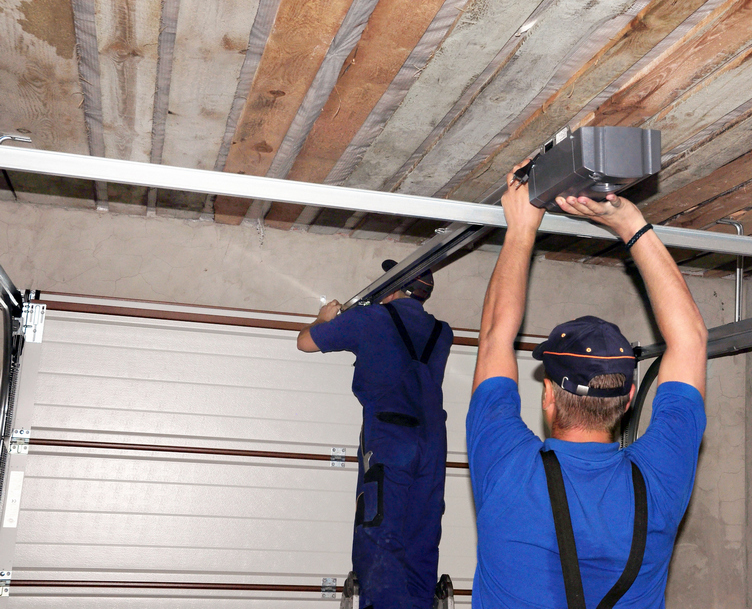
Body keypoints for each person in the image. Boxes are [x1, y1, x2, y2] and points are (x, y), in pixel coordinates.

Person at [466, 167, 709, 607]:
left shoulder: (507, 468)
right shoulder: (658, 479)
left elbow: (494, 338)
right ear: (630, 398)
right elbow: (690, 339)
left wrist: (521, 228)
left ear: (547, 397)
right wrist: (632, 225)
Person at [298, 262, 454, 609]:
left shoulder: (371, 319)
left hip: (390, 437)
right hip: (432, 442)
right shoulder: (443, 333)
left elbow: (305, 342)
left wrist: (324, 318)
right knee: (422, 532)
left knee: (380, 529)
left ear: (393, 288)